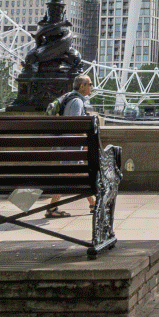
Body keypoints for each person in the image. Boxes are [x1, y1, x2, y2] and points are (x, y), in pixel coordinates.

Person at [46, 74, 97, 219]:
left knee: (74, 173)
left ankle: (93, 203)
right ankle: (52, 208)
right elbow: (74, 126)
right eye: (90, 84)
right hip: (71, 146)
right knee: (70, 175)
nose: (92, 86)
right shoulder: (77, 102)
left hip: (68, 145)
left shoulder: (71, 99)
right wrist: (85, 141)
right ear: (82, 86)